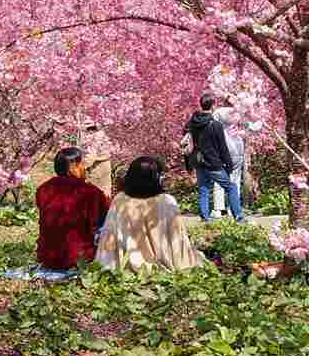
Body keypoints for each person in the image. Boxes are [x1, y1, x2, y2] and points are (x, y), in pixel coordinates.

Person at [97, 156, 202, 271]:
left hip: (126, 266)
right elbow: (177, 239)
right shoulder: (166, 201)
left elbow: (108, 238)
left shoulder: (120, 200)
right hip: (161, 264)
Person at [34, 147, 108, 271]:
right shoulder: (91, 192)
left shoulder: (43, 189)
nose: (85, 169)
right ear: (73, 167)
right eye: (82, 164)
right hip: (79, 259)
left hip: (46, 257)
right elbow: (106, 214)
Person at [182, 94, 244, 222]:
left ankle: (205, 218)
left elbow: (187, 142)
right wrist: (229, 165)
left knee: (203, 190)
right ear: (213, 105)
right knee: (231, 187)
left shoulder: (191, 123)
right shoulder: (215, 125)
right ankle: (238, 216)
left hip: (198, 162)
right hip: (213, 163)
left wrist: (188, 165)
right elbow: (222, 147)